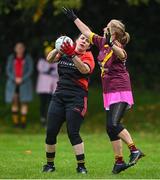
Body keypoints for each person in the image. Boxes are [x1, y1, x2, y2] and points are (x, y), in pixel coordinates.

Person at [62, 8, 145, 174]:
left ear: (113, 32)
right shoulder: (102, 42)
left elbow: (122, 55)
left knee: (114, 124)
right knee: (109, 127)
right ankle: (119, 161)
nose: (103, 29)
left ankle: (134, 150)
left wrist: (112, 43)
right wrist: (74, 18)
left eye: (106, 27)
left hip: (121, 89)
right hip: (109, 92)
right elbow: (87, 31)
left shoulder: (116, 45)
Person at [42, 34, 95, 174]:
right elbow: (49, 60)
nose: (84, 41)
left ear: (89, 46)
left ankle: (81, 166)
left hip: (77, 98)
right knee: (51, 132)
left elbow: (85, 69)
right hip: (59, 96)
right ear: (76, 40)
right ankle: (49, 165)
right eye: (82, 38)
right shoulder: (65, 52)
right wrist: (58, 48)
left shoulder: (88, 56)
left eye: (87, 41)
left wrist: (72, 55)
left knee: (73, 132)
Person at [5, 42, 33, 128]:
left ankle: (23, 123)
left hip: (25, 83)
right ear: (15, 49)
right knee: (14, 101)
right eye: (18, 47)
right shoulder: (11, 58)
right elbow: (8, 70)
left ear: (24, 49)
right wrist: (15, 78)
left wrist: (22, 79)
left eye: (21, 47)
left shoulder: (27, 58)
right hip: (13, 84)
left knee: (24, 102)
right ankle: (16, 123)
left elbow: (30, 70)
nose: (19, 49)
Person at [36, 45, 58, 127]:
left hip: (52, 88)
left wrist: (49, 71)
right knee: (43, 104)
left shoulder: (56, 62)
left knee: (51, 104)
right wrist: (49, 70)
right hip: (43, 88)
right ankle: (43, 118)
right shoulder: (41, 61)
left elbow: (57, 72)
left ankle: (50, 120)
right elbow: (42, 69)